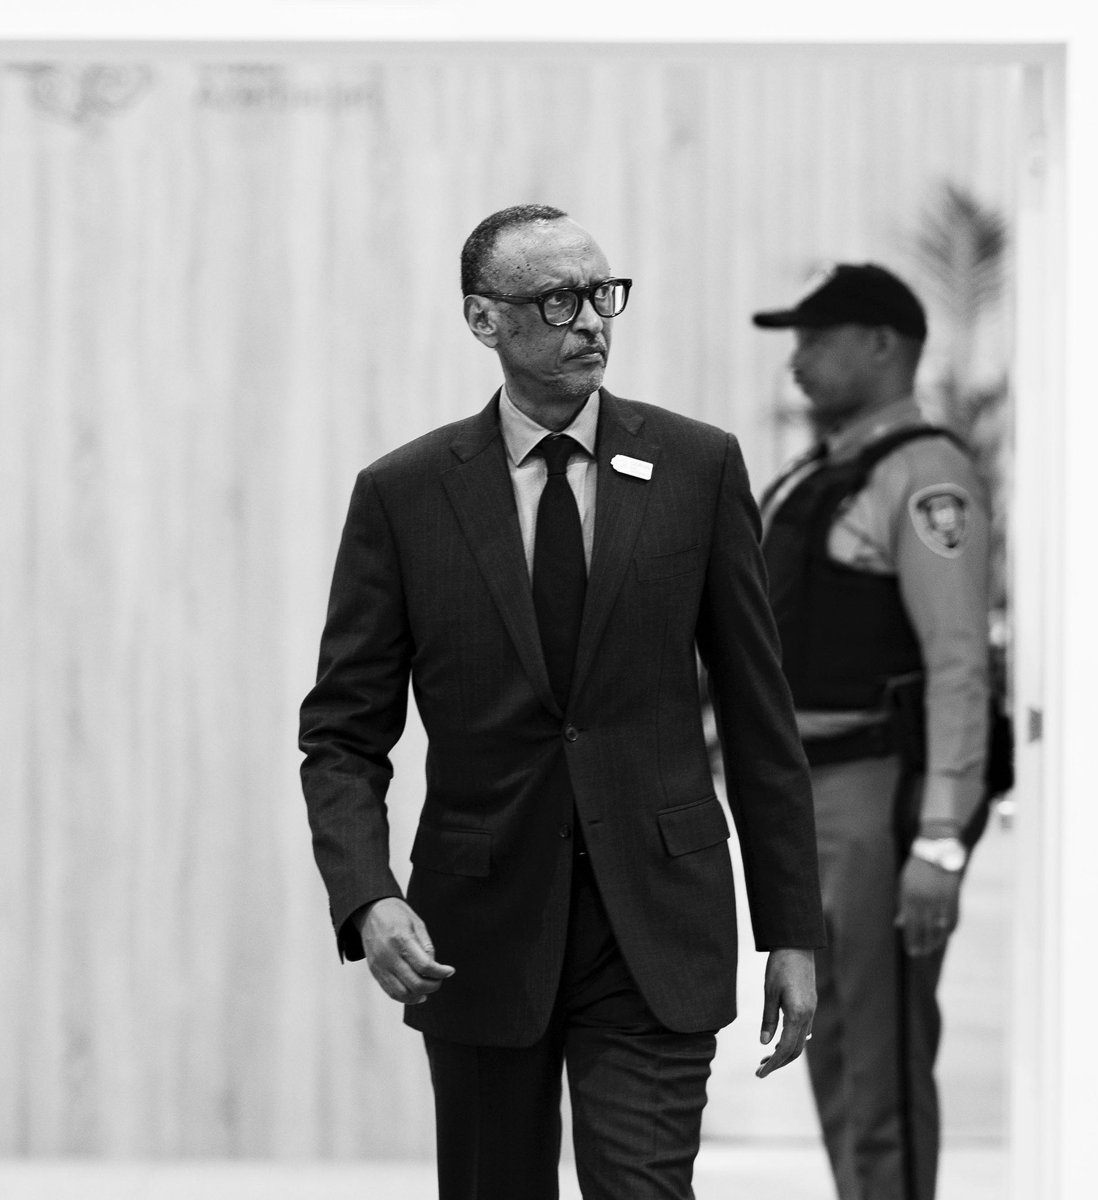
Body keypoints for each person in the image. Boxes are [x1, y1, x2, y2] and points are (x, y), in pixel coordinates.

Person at [299, 203, 825, 1200]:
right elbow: (341, 734)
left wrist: (791, 929)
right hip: (477, 931)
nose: (590, 320)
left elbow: (760, 720)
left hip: (656, 922)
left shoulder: (697, 467)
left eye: (601, 294)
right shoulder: (404, 494)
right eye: (557, 299)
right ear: (483, 319)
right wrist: (366, 894)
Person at [751, 263, 992, 1200]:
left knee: (880, 1052)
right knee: (827, 1035)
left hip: (874, 791)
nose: (797, 361)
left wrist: (939, 838)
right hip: (802, 795)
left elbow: (958, 663)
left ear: (883, 345)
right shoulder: (815, 474)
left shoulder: (925, 476)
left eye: (817, 339)